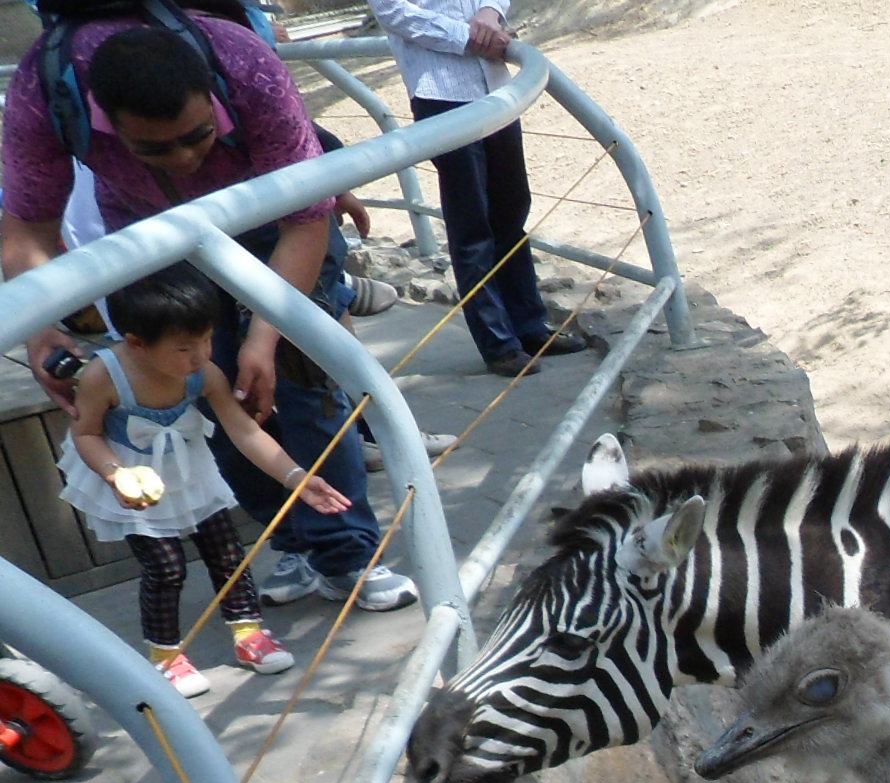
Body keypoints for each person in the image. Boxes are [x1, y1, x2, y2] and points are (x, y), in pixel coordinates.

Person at [0, 17, 418, 612]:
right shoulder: (46, 91)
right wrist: (40, 329)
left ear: (213, 96)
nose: (186, 157)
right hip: (157, 239)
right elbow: (29, 224)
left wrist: (267, 336)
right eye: (155, 147)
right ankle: (290, 540)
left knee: (307, 389)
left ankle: (348, 555)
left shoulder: (245, 65)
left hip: (273, 222)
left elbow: (305, 216)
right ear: (105, 123)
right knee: (204, 399)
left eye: (198, 135)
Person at [60, 262, 344, 695]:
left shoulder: (203, 374)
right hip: (129, 474)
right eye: (184, 348)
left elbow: (245, 431)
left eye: (207, 339)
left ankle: (248, 633)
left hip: (188, 468)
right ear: (136, 343)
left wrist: (297, 478)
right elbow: (86, 432)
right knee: (166, 568)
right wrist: (116, 474)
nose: (201, 355)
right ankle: (166, 654)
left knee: (228, 553)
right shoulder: (105, 376)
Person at [365, 0, 581, 379]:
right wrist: (466, 36)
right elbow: (394, 12)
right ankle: (498, 343)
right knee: (472, 223)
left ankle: (530, 326)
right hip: (441, 90)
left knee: (511, 211)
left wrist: (490, 14)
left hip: (494, 86)